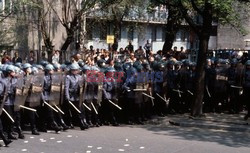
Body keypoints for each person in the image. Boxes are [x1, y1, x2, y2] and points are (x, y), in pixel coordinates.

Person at [64, 63, 88, 130]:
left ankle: (83, 122)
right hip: (71, 96)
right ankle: (80, 123)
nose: (75, 71)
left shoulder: (79, 77)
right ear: (71, 70)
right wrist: (67, 97)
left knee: (80, 109)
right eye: (73, 70)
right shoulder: (68, 77)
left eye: (76, 70)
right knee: (74, 111)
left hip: (77, 96)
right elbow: (66, 88)